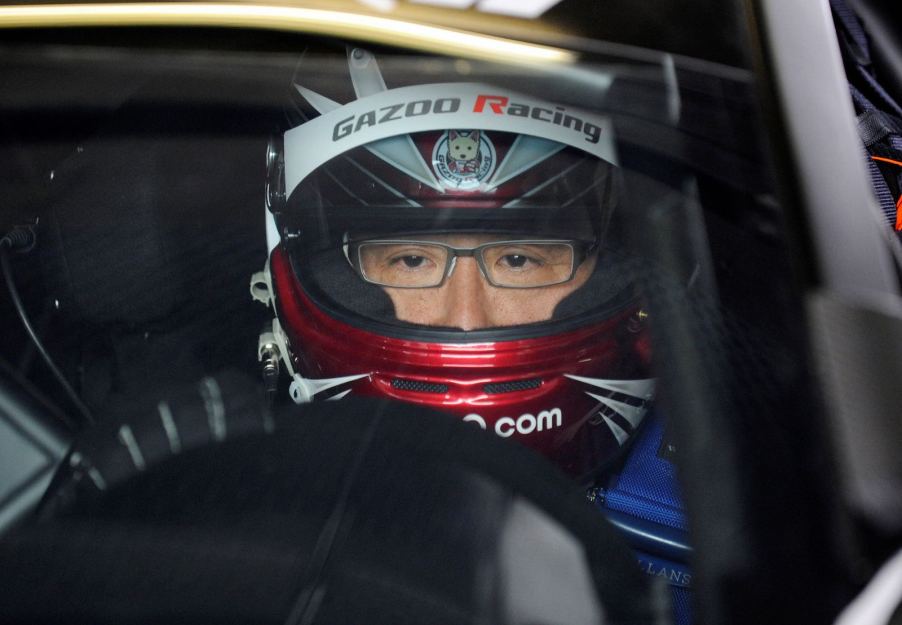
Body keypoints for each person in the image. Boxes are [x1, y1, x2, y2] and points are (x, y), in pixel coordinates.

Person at [254, 48, 655, 483]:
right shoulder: (240, 494)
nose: (467, 320)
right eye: (411, 261)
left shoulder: (712, 498)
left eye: (519, 260)